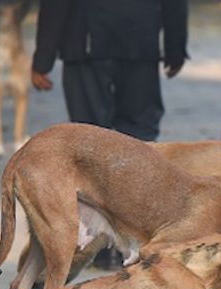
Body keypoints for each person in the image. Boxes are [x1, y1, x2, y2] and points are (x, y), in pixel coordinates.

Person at [31, 0, 189, 268]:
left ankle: (101, 246)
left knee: (91, 145)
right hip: (138, 41)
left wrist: (43, 58)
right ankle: (139, 242)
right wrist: (175, 47)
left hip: (86, 42)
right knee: (140, 143)